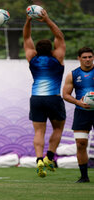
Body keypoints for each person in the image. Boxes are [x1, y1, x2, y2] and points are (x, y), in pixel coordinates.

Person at [23, 9, 66, 177]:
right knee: (58, 129)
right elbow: (60, 37)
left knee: (39, 132)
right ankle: (50, 157)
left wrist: (28, 21)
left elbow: (27, 38)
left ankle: (39, 159)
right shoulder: (58, 57)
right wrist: (47, 20)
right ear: (52, 48)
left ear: (37, 49)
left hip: (36, 98)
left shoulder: (32, 57)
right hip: (54, 98)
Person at [62, 47, 94, 183]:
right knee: (81, 144)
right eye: (84, 57)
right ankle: (84, 177)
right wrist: (78, 103)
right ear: (79, 58)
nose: (87, 59)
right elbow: (65, 95)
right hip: (81, 112)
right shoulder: (73, 75)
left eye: (90, 57)